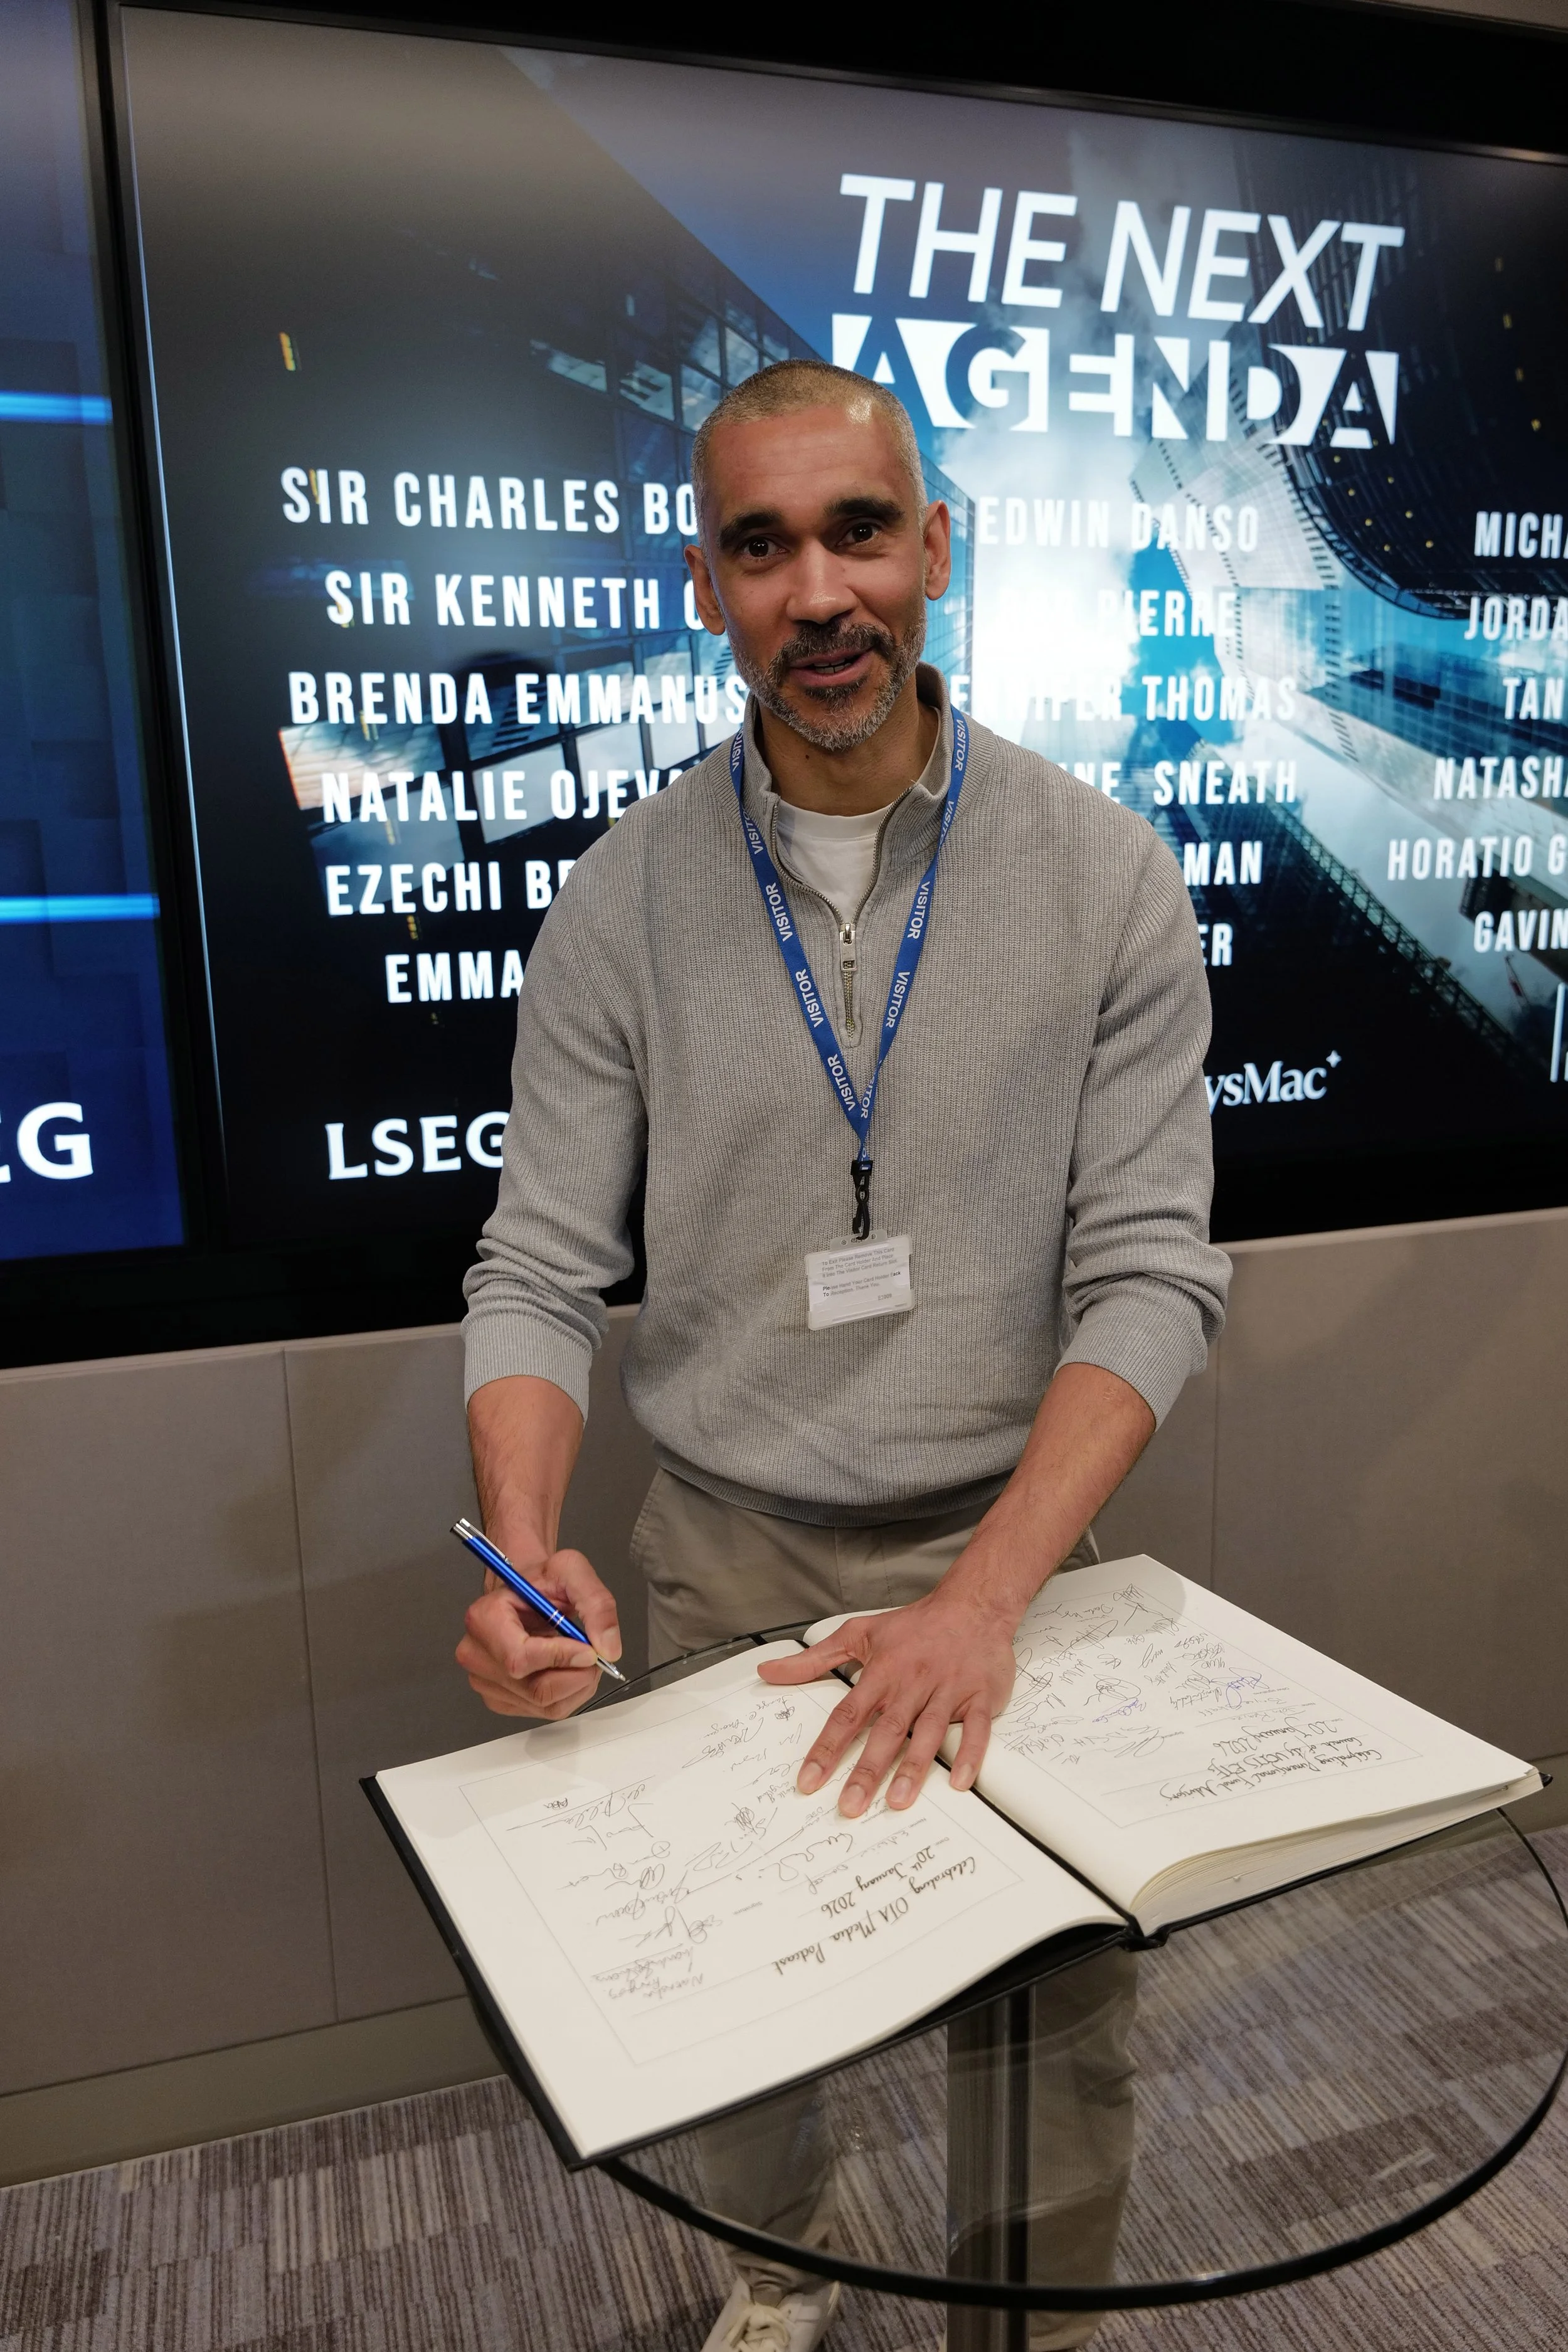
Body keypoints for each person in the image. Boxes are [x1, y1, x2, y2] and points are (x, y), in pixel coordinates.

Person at [457, 359, 1230, 2352]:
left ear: (934, 550)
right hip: (728, 1544)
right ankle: (778, 2273)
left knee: (1057, 2016)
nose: (818, 593)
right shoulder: (621, 896)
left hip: (1007, 1541)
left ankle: (1036, 2325)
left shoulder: (1102, 872)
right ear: (705, 585)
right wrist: (520, 1540)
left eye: (858, 531)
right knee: (737, 1987)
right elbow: (538, 1262)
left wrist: (983, 1599)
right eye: (761, 545)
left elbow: (1151, 1273)